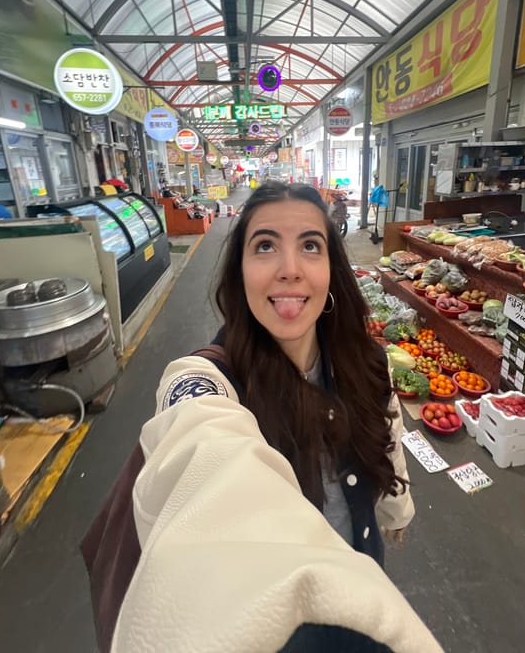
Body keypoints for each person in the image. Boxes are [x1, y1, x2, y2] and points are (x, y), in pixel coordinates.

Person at [111, 181, 438, 653]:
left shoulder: (366, 360)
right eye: (265, 246)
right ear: (240, 273)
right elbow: (199, 447)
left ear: (331, 268)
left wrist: (395, 508)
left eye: (310, 246)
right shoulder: (203, 378)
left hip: (362, 568)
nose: (290, 270)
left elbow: (386, 433)